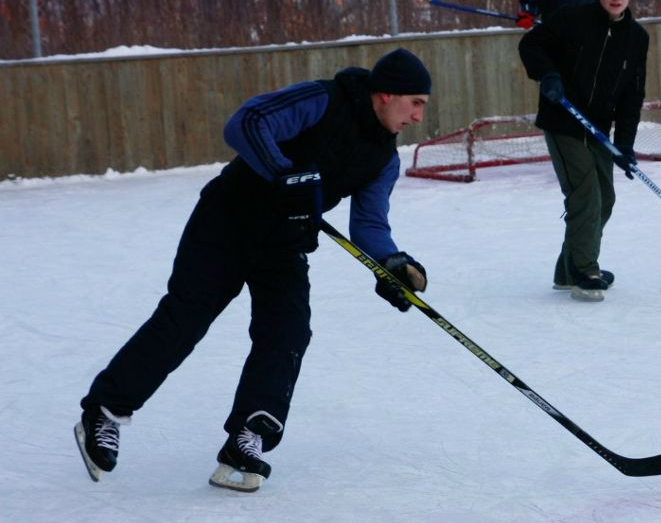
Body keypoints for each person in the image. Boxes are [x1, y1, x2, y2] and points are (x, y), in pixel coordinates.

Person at [73, 48, 433, 492]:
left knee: (287, 333)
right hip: (227, 220)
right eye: (414, 103)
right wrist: (285, 175)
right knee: (186, 317)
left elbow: (370, 224)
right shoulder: (322, 100)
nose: (418, 116)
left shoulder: (384, 159)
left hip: (283, 243)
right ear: (385, 95)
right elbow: (246, 123)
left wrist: (391, 264)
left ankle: (249, 434)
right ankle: (104, 410)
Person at [518, 0, 648, 302]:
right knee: (586, 193)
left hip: (599, 129)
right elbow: (531, 45)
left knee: (604, 199)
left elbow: (633, 96)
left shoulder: (637, 38)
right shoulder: (570, 19)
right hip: (563, 120)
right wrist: (547, 75)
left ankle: (567, 270)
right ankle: (584, 270)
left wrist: (625, 146)